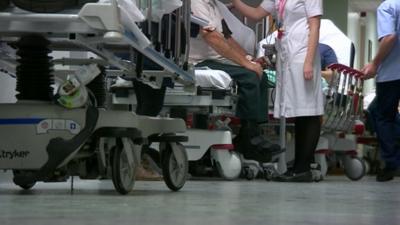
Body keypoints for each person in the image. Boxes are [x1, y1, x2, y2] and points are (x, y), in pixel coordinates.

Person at [232, 0, 323, 182]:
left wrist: (308, 61)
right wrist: (235, 3)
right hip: (287, 52)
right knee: (298, 111)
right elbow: (257, 13)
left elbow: (315, 26)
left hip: (303, 53)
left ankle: (303, 168)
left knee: (309, 110)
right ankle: (299, 167)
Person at [190, 0, 280, 163]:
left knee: (262, 76)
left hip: (216, 60)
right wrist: (246, 65)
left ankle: (253, 133)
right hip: (199, 61)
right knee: (249, 77)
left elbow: (227, 37)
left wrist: (249, 59)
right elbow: (212, 37)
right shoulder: (196, 3)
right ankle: (248, 139)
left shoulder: (213, 6)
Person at [361, 0, 400, 182]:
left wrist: (374, 64)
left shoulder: (389, 6)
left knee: (382, 115)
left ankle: (391, 164)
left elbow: (390, 37)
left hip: (392, 75)